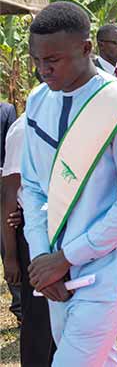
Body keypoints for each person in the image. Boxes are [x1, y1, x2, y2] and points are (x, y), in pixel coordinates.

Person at [21, 2, 117, 365]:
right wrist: (41, 259)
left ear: (85, 48)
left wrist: (67, 257)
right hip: (53, 270)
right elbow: (32, 186)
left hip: (105, 273)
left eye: (53, 60)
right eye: (36, 60)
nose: (43, 70)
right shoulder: (38, 101)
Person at [3, 111, 57, 365]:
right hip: (32, 234)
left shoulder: (67, 119)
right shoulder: (23, 128)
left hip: (61, 232)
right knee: (38, 318)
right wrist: (11, 256)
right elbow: (9, 193)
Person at [0, 100, 21, 324]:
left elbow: (10, 154)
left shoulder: (6, 111)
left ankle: (19, 307)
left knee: (6, 242)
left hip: (2, 189)